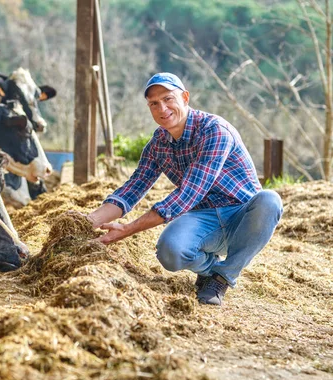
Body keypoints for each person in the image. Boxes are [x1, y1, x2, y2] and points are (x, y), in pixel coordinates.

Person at [86, 72, 283, 306]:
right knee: (170, 250)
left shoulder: (215, 130)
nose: (162, 108)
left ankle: (223, 277)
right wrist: (88, 222)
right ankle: (211, 270)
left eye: (168, 99)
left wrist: (127, 229)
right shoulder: (158, 144)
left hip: (242, 218)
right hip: (204, 218)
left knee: (269, 200)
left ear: (185, 97)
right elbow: (132, 189)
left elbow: (189, 193)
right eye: (154, 104)